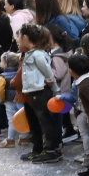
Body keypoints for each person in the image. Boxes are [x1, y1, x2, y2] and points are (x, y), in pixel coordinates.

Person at [17, 23, 62, 163]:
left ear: (25, 37)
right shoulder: (29, 54)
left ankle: (51, 149)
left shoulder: (38, 54)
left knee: (45, 121)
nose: (18, 40)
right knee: (34, 121)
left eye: (19, 36)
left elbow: (48, 73)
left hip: (41, 92)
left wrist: (55, 90)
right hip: (31, 93)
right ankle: (37, 148)